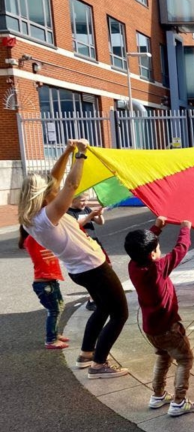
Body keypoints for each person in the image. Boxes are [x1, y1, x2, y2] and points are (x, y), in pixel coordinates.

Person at [19, 139, 129, 379]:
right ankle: (99, 364)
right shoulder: (48, 215)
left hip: (82, 269)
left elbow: (56, 178)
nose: (55, 187)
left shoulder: (35, 215)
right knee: (120, 314)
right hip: (94, 268)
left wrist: (68, 150)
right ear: (44, 194)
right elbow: (71, 183)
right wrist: (80, 155)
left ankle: (86, 354)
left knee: (102, 308)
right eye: (51, 188)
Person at [125, 216, 194, 417]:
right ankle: (179, 401)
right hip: (169, 327)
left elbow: (145, 247)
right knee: (184, 359)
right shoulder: (158, 268)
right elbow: (180, 249)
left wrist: (156, 228)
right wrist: (185, 229)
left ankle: (157, 395)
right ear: (152, 254)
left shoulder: (133, 266)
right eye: (157, 249)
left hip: (151, 328)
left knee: (163, 356)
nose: (160, 252)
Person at [19, 226, 69, 350]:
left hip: (52, 282)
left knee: (59, 307)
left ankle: (54, 333)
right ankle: (50, 340)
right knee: (53, 311)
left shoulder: (44, 240)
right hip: (44, 285)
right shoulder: (32, 241)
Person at [68, 193, 107, 311]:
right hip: (83, 244)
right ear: (73, 200)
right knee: (92, 271)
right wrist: (90, 216)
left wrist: (99, 215)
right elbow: (75, 225)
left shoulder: (86, 209)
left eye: (86, 201)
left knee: (105, 267)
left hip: (94, 242)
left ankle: (100, 294)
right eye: (82, 201)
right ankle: (92, 299)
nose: (84, 203)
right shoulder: (69, 213)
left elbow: (100, 222)